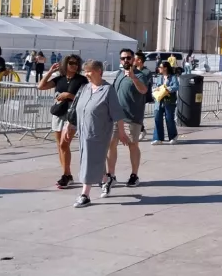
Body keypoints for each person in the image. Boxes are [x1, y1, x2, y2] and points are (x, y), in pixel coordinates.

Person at [64, 60, 128, 208]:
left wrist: (122, 132)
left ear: (99, 71)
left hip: (99, 133)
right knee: (90, 160)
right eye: (85, 71)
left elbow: (117, 113)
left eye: (90, 71)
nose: (86, 74)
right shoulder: (85, 88)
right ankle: (106, 179)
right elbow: (77, 109)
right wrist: (70, 124)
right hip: (83, 132)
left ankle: (85, 194)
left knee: (89, 161)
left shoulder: (108, 90)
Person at [104, 49, 151, 194]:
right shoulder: (118, 74)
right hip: (115, 117)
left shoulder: (141, 75)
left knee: (132, 145)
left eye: (128, 58)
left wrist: (133, 78)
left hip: (132, 117)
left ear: (133, 59)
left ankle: (134, 174)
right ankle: (111, 174)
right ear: (120, 60)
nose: (126, 60)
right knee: (111, 144)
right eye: (123, 58)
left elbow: (143, 90)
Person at [37, 54, 86, 189]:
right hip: (58, 114)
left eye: (76, 63)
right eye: (71, 63)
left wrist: (68, 95)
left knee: (65, 144)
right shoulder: (60, 79)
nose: (74, 66)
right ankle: (67, 174)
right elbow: (40, 86)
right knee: (60, 145)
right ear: (65, 64)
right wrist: (50, 72)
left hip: (71, 115)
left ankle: (66, 174)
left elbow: (86, 98)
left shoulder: (82, 80)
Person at [152, 61, 179, 144]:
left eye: (160, 67)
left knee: (169, 118)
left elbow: (176, 86)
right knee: (157, 118)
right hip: (159, 101)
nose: (159, 69)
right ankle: (158, 138)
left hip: (169, 101)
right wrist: (155, 89)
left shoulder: (173, 77)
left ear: (165, 68)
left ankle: (173, 136)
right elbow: (155, 86)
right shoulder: (159, 77)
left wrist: (168, 89)